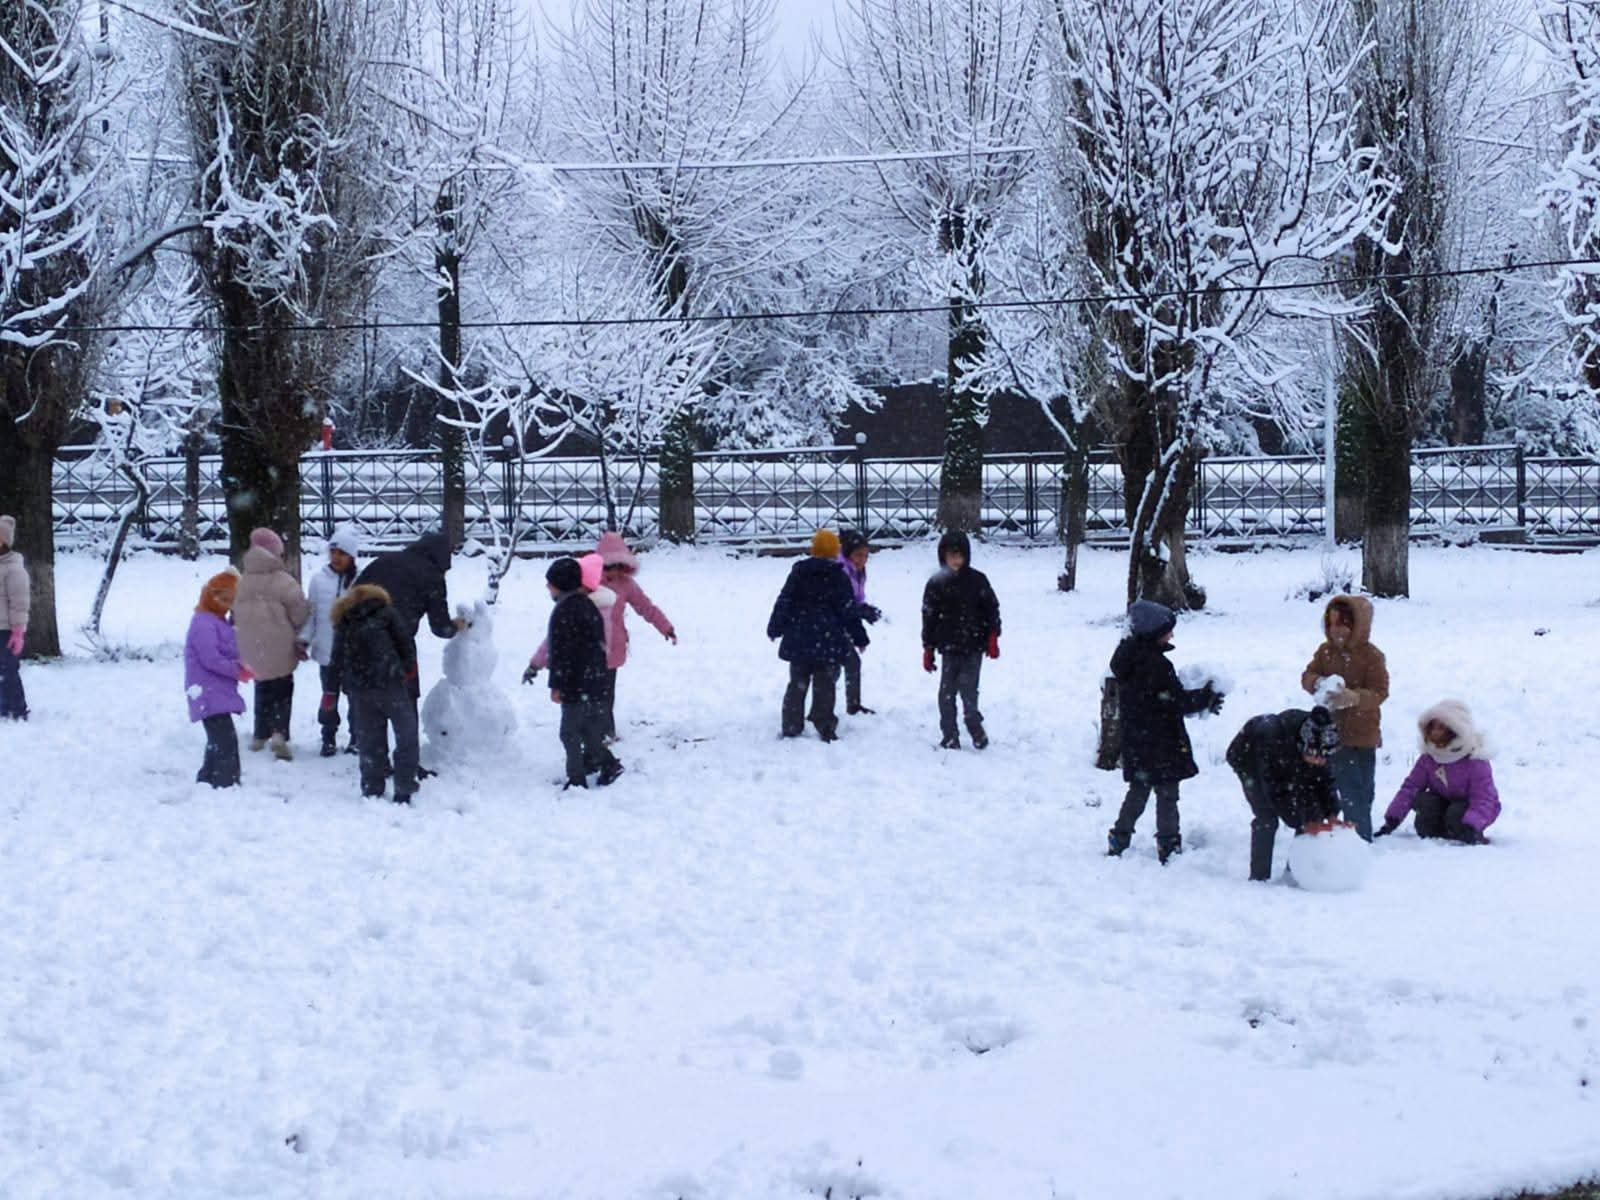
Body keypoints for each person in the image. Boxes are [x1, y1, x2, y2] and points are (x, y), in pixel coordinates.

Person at [1105, 600, 1224, 863]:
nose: (1172, 634)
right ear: (1153, 632)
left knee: (1138, 791)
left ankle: (1120, 835)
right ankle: (1168, 843)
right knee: (1168, 794)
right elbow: (1175, 701)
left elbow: (1163, 699)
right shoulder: (1156, 665)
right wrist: (1206, 698)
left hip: (1138, 741)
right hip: (1161, 742)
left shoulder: (1130, 658)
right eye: (1168, 630)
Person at [356, 531, 465, 774]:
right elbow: (440, 627)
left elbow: (351, 598)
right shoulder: (432, 576)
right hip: (398, 646)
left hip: (361, 644)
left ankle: (376, 764)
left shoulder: (382, 562)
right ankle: (408, 766)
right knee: (404, 707)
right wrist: (455, 626)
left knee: (371, 706)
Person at [1301, 595, 1389, 840]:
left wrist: (1354, 697)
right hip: (1333, 734)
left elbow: (1380, 692)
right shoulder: (1325, 652)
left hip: (1365, 733)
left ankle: (1360, 828)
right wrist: (1318, 683)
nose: (1336, 630)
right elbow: (1307, 675)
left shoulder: (1372, 656)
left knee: (1364, 789)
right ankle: (1356, 838)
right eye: (1332, 624)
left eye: (1343, 624)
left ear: (1357, 626)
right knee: (1348, 789)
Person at [767, 530, 869, 742]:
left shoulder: (799, 573)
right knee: (825, 686)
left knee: (797, 684)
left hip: (799, 639)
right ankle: (824, 724)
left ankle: (792, 724)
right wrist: (859, 637)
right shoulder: (838, 576)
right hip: (828, 640)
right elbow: (848, 610)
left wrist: (775, 627)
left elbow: (784, 601)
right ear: (835, 551)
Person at [1226, 707, 1344, 882]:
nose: (1320, 760)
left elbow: (1325, 780)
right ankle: (1259, 876)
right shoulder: (1274, 742)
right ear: (1303, 746)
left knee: (1312, 811)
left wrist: (1332, 812)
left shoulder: (1322, 740)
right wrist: (1301, 822)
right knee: (1266, 815)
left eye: (1324, 756)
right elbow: (1276, 792)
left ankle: (1297, 871)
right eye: (1314, 755)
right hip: (1249, 760)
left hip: (1288, 761)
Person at [326, 583, 419, 804]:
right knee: (406, 735)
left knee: (370, 740)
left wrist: (330, 690)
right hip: (391, 683)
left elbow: (336, 659)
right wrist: (406, 670)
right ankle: (404, 787)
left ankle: (372, 787)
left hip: (360, 689)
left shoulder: (345, 621)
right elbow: (406, 644)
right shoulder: (387, 613)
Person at [545, 557, 623, 789]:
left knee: (569, 733)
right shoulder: (588, 606)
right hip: (594, 682)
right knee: (589, 730)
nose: (547, 588)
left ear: (560, 584)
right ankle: (606, 764)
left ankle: (577, 779)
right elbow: (595, 647)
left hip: (574, 684)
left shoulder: (563, 612)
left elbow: (560, 653)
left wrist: (557, 685)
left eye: (550, 584)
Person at [232, 527, 311, 760]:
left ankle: (260, 733)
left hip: (251, 646)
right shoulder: (284, 581)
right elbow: (299, 615)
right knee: (283, 687)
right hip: (281, 646)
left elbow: (234, 613)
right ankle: (279, 732)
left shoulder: (241, 580)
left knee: (262, 685)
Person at [1377, 700, 1500, 844]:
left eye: (1441, 727)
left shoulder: (1475, 760)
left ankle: (1462, 830)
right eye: (1432, 727)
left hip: (1469, 809)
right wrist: (1392, 819)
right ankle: (1442, 832)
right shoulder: (1429, 758)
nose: (1435, 732)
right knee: (1425, 803)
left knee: (1457, 814)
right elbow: (1411, 788)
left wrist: (1472, 825)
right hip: (1443, 805)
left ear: (1454, 731)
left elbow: (1484, 799)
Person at [920, 530, 1001, 750]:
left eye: (959, 555)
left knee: (968, 690)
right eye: (950, 555)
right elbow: (929, 616)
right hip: (948, 647)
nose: (955, 560)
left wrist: (993, 635)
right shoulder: (936, 584)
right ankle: (949, 734)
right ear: (943, 557)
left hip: (974, 646)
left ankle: (974, 725)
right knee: (946, 694)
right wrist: (928, 647)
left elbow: (991, 609)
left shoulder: (977, 581)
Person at [594, 530, 677, 740]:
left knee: (607, 692)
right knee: (594, 692)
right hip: (591, 647)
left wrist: (665, 627)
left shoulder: (626, 585)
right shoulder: (589, 584)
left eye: (616, 566)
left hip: (614, 647)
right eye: (607, 566)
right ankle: (595, 728)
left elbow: (646, 607)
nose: (611, 571)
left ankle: (605, 730)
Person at [298, 524, 362, 757]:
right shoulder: (318, 581)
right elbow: (312, 616)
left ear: (352, 556)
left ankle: (357, 737)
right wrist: (304, 640)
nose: (336, 557)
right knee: (329, 696)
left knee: (356, 698)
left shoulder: (360, 582)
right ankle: (328, 737)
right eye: (333, 552)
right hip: (327, 652)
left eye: (342, 553)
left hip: (354, 653)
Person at [184, 569, 250, 788]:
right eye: (221, 598)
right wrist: (236, 670)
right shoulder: (204, 623)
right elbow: (211, 658)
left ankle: (207, 777)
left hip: (215, 690)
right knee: (225, 740)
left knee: (218, 738)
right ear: (208, 595)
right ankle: (226, 782)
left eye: (230, 600)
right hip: (207, 690)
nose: (225, 604)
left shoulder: (217, 621)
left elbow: (229, 649)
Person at [838, 530, 882, 716]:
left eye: (865, 555)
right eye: (858, 555)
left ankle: (853, 705)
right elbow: (844, 606)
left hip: (841, 623)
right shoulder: (841, 571)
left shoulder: (857, 571)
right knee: (831, 670)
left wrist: (864, 610)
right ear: (848, 554)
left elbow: (853, 603)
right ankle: (822, 708)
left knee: (851, 663)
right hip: (830, 625)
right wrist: (860, 631)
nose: (862, 559)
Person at [0, 514, 30, 721]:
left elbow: (19, 604)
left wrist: (18, 631)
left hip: (7, 630)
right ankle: (3, 706)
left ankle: (18, 707)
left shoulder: (14, 570)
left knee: (8, 669)